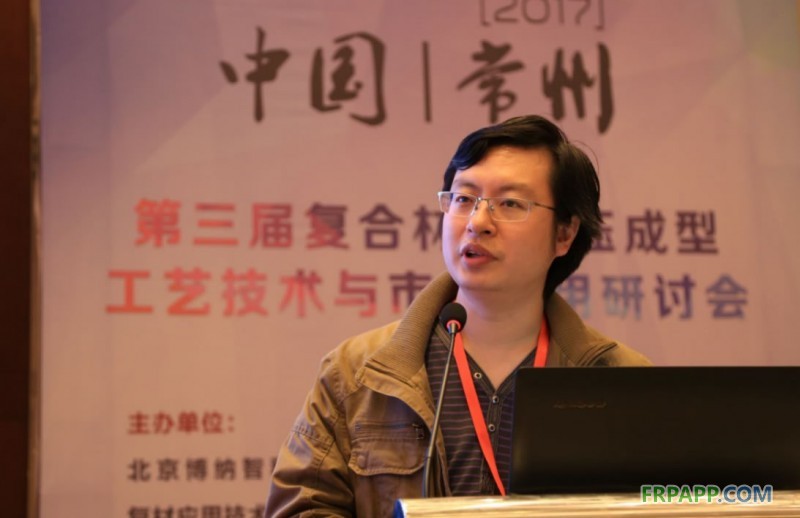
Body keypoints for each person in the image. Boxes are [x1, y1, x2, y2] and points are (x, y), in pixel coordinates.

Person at [264, 115, 651, 517]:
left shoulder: (624, 379)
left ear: (564, 234)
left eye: (510, 204)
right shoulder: (355, 374)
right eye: (464, 199)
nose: (478, 223)